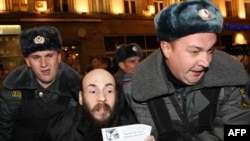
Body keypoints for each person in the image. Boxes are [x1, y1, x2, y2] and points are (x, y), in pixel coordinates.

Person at [124, 0, 250, 140]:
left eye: (210, 50)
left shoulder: (230, 78)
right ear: (167, 48)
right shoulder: (137, 91)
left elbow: (239, 132)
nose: (206, 62)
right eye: (194, 51)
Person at [0, 26, 81, 141]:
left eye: (49, 55)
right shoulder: (13, 87)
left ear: (59, 57)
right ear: (27, 61)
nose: (44, 63)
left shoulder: (75, 88)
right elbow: (3, 129)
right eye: (36, 57)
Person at [47, 69, 154, 141]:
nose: (102, 98)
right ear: (81, 98)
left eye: (109, 91)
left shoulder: (133, 128)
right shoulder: (61, 130)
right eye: (93, 91)